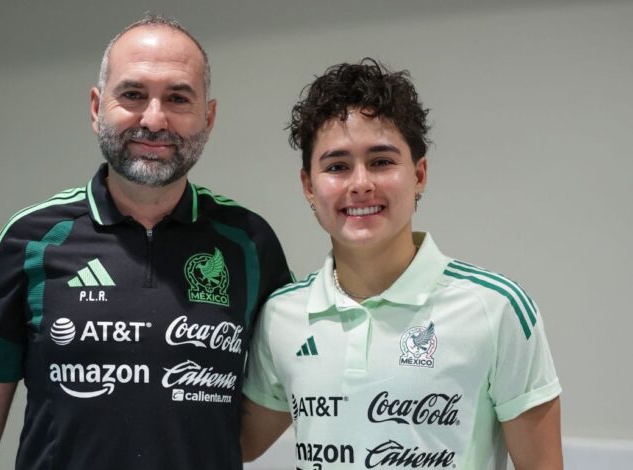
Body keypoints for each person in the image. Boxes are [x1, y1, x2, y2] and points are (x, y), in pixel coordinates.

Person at [0, 14, 292, 470]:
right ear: (96, 107)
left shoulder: (250, 243)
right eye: (133, 94)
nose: (154, 119)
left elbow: (273, 398)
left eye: (178, 98)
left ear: (209, 116)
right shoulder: (28, 239)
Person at [240, 59, 562, 469]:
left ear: (419, 174)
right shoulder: (281, 315)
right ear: (308, 186)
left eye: (381, 161)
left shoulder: (497, 308)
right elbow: (234, 444)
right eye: (337, 167)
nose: (360, 184)